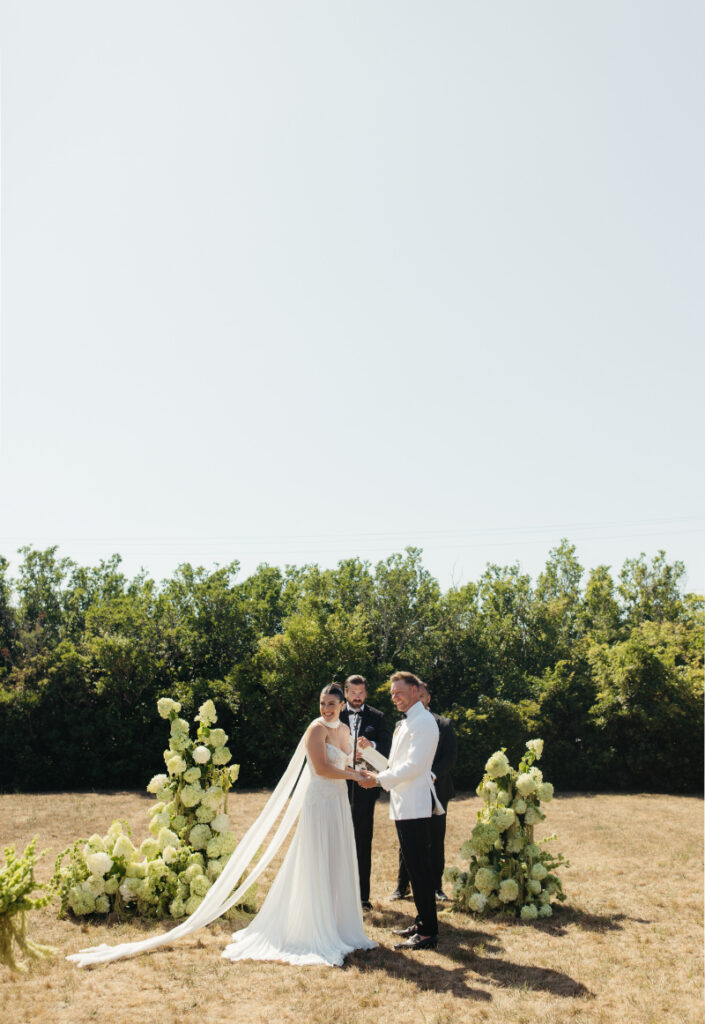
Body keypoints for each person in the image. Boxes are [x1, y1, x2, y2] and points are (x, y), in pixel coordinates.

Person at [68, 684, 376, 969]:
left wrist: (360, 765)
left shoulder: (345, 729)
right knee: (317, 860)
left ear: (342, 704)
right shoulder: (316, 729)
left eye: (332, 704)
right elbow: (322, 769)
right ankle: (313, 925)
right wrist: (353, 776)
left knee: (337, 860)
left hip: (337, 804)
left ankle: (338, 925)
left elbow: (345, 764)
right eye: (323, 703)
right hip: (319, 803)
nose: (326, 709)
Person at [358, 671, 443, 952]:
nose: (395, 697)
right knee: (414, 866)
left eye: (400, 692)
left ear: (417, 690)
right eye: (392, 693)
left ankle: (428, 931)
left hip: (416, 805)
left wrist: (377, 781)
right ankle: (421, 921)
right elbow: (393, 765)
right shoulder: (405, 724)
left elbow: (415, 767)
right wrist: (369, 753)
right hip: (402, 805)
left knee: (419, 869)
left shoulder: (424, 722)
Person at [390, 682, 457, 902]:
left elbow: (449, 757)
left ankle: (436, 886)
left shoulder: (443, 724)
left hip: (437, 789)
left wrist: (431, 775)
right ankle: (402, 886)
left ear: (427, 697)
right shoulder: (404, 724)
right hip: (410, 789)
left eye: (422, 694)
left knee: (435, 839)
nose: (418, 698)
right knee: (408, 841)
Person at [339, 674, 392, 910]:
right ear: (346, 692)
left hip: (365, 786)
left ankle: (362, 897)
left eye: (361, 693)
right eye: (353, 693)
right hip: (338, 784)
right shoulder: (335, 713)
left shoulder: (378, 717)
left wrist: (372, 748)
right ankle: (337, 895)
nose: (357, 697)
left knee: (362, 839)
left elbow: (388, 746)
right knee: (337, 838)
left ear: (366, 694)